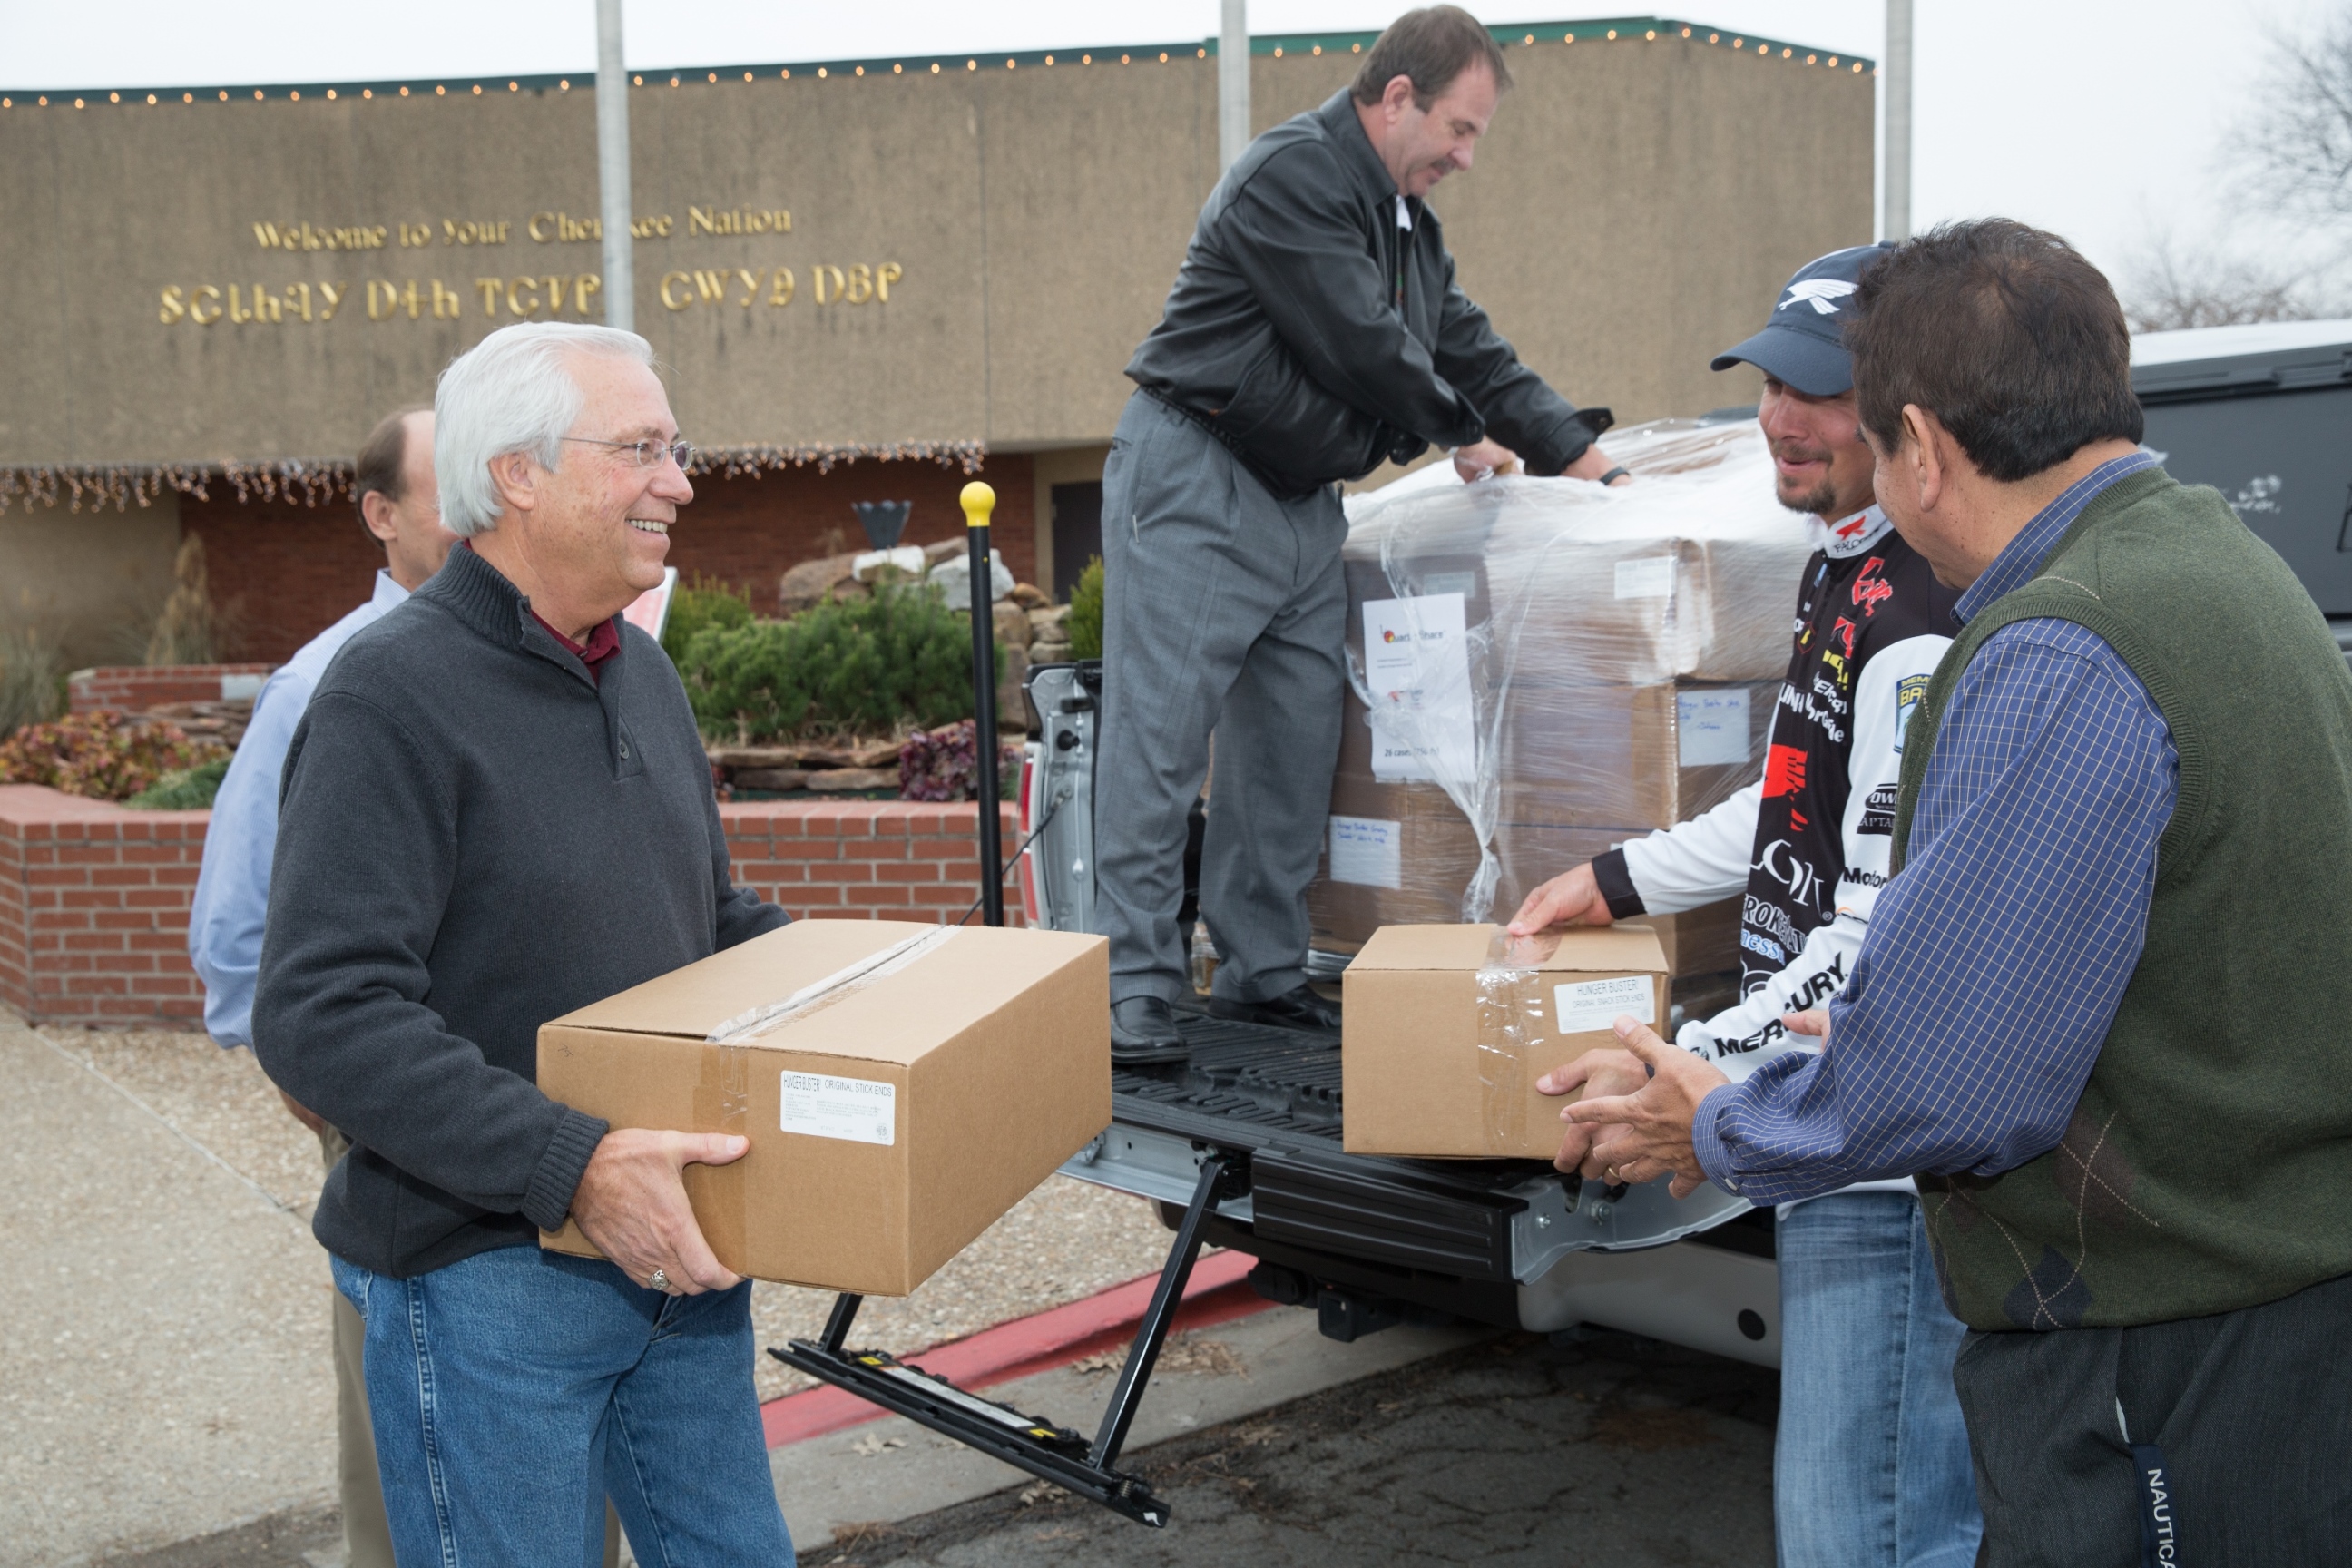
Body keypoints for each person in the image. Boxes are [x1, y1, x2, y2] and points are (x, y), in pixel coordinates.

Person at [1547, 220, 2352, 1564]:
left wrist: (1721, 1123)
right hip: (2267, 1302)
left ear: (1918, 445)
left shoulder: (2060, 648)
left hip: (2160, 1343)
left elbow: (1960, 1078)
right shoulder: (2216, 562)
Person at [253, 321, 796, 1565]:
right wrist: (575, 1166)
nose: (682, 479)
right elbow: (322, 1013)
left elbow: (706, 923)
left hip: (679, 1252)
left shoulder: (641, 676)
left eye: (677, 447)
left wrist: (882, 992)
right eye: (642, 449)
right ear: (515, 474)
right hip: (486, 1279)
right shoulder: (387, 694)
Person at [1509, 243, 1978, 1568]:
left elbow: (1879, 937)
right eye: (1773, 380)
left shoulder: (1923, 616)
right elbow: (1792, 800)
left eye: (1821, 392)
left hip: (1877, 1158)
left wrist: (1694, 1069)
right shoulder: (1848, 562)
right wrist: (1610, 877)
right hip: (1825, 1107)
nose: (1783, 416)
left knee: (1866, 1533)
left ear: (1906, 412)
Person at [1101, 4, 1622, 1061]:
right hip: (1199, 476)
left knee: (1287, 752)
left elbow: (1465, 346)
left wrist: (1583, 457)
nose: (1467, 158)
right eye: (1460, 131)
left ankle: (1260, 971)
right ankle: (1134, 988)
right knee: (1159, 749)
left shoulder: (1407, 231)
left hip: (1301, 503)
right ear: (1397, 100)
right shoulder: (1288, 178)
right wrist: (1462, 437)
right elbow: (1359, 340)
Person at [188, 404, 456, 1568]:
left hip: (527, 1107)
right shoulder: (326, 684)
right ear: (381, 516)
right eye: (452, 495)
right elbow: (236, 921)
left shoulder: (534, 654)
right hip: (391, 1114)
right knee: (397, 1401)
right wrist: (321, 1090)